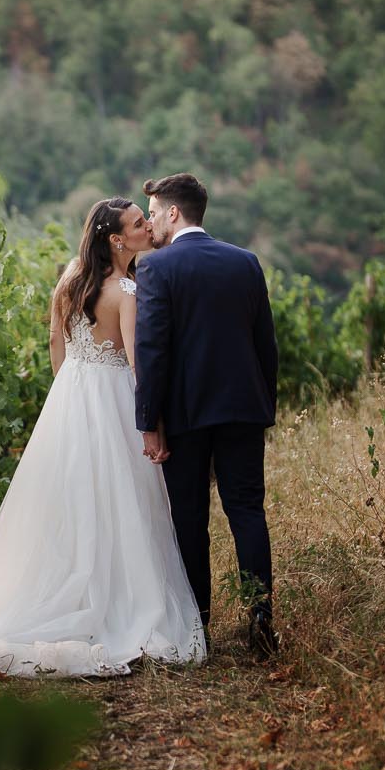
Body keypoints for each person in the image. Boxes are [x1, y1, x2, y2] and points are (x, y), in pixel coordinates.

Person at [0, 197, 208, 678]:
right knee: (121, 500)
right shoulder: (127, 290)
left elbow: (55, 341)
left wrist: (67, 391)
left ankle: (64, 591)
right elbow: (137, 362)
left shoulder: (70, 277)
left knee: (68, 502)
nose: (146, 227)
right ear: (117, 240)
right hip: (113, 397)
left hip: (71, 395)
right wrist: (152, 423)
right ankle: (117, 604)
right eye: (137, 224)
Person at [131, 172, 280, 657]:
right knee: (247, 511)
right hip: (242, 409)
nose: (151, 222)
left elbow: (152, 352)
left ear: (173, 213)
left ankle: (199, 627)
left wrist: (148, 421)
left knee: (190, 518)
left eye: (154, 213)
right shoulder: (245, 262)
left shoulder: (157, 268)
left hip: (186, 414)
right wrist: (264, 406)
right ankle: (260, 616)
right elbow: (266, 345)